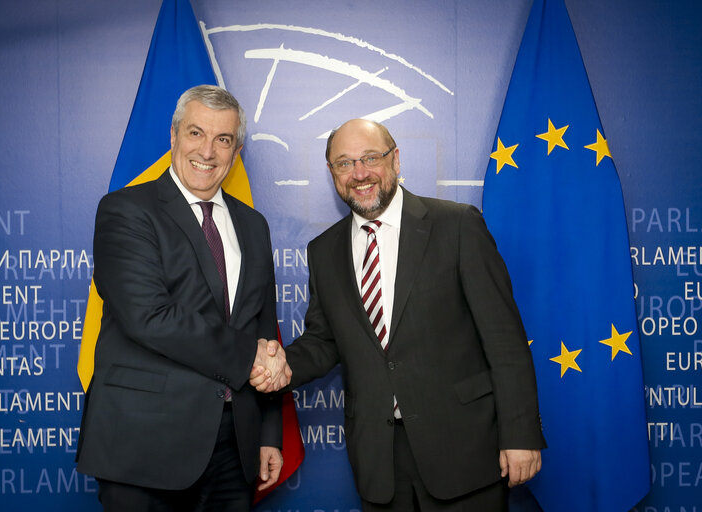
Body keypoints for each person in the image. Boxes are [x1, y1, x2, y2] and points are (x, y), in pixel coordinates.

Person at [251, 119, 545, 511]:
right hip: (379, 461)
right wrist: (281, 365)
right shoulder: (324, 250)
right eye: (344, 163)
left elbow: (504, 339)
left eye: (370, 158)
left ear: (396, 160)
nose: (359, 174)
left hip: (464, 451)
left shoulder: (457, 225)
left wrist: (520, 434)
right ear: (332, 173)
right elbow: (323, 341)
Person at [76, 85, 290, 512]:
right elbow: (149, 317)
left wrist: (267, 432)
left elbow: (263, 329)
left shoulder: (253, 224)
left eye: (223, 139)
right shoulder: (126, 210)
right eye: (196, 133)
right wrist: (252, 357)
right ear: (174, 136)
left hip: (235, 448)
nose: (207, 151)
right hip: (145, 447)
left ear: (236, 150)